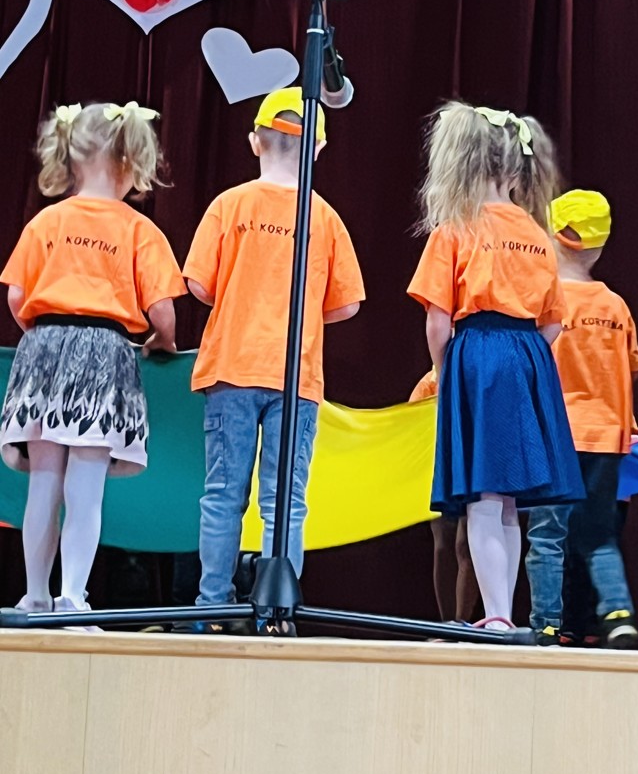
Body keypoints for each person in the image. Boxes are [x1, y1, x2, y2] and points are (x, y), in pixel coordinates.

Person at [183, 88, 364, 623]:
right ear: (318, 150)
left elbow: (197, 284)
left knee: (222, 494)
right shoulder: (324, 217)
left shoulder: (229, 205)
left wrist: (242, 294)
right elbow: (348, 304)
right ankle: (274, 612)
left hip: (232, 367)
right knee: (285, 502)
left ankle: (211, 607)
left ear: (254, 142)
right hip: (296, 375)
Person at [0, 101, 183, 619]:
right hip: (104, 354)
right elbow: (162, 310)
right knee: (86, 489)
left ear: (71, 156)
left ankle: (35, 594)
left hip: (43, 349)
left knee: (43, 483)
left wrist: (41, 335)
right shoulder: (139, 230)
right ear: (130, 161)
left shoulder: (47, 221)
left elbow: (17, 295)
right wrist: (163, 340)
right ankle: (73, 598)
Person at [407, 102, 583, 631]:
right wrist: (524, 358)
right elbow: (554, 321)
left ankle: (500, 616)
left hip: (478, 354)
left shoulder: (455, 228)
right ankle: (502, 612)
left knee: (484, 496)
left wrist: (448, 371)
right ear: (515, 170)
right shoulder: (537, 233)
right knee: (506, 502)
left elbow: (438, 321)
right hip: (529, 355)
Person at [524, 189, 638, 647]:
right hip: (607, 438)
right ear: (601, 244)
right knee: (599, 535)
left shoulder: (543, 302)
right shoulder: (615, 306)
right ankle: (618, 613)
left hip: (555, 434)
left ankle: (546, 624)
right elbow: (632, 366)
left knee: (547, 535)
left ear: (552, 237)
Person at [409, 369, 481, 624]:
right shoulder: (430, 382)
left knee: (466, 544)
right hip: (440, 470)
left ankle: (461, 623)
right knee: (443, 544)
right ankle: (447, 625)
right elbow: (410, 427)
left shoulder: (477, 371)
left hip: (475, 467)